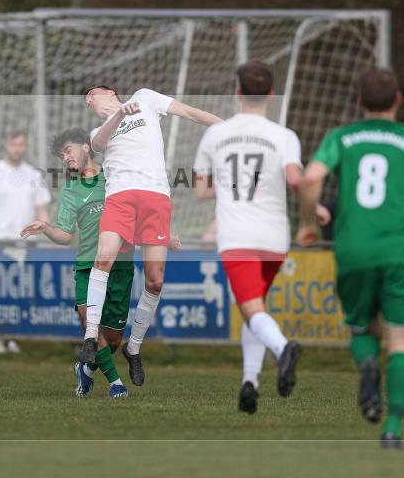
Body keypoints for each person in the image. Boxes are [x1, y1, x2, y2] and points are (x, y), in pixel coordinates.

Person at [296, 68, 404, 449]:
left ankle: (368, 368)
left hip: (354, 251)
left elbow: (311, 178)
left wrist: (307, 225)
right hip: (400, 252)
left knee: (363, 328)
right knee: (401, 341)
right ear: (398, 99)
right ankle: (392, 429)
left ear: (359, 102)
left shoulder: (342, 137)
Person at [193, 60, 327, 414]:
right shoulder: (284, 136)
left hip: (237, 235)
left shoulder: (215, 135)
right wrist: (316, 210)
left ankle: (284, 349)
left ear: (237, 93)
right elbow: (298, 181)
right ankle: (249, 385)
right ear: (270, 94)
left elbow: (202, 191)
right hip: (274, 237)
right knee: (254, 308)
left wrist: (224, 183)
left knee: (251, 308)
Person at [21, 128, 178, 398]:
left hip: (121, 266)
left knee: (114, 339)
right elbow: (65, 235)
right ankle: (116, 383)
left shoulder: (117, 177)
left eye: (68, 151)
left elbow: (140, 214)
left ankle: (86, 369)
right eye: (61, 156)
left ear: (85, 147)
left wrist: (162, 237)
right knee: (87, 321)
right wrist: (46, 227)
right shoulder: (71, 189)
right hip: (87, 265)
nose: (65, 158)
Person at [81, 85, 221, 385]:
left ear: (111, 91)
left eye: (93, 93)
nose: (89, 99)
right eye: (86, 99)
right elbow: (100, 143)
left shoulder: (144, 98)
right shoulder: (97, 131)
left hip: (155, 197)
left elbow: (190, 112)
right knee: (103, 258)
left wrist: (227, 125)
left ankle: (134, 348)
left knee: (155, 280)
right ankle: (91, 336)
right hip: (119, 197)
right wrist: (119, 113)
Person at [0, 129, 51, 354]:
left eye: (21, 144)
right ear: (6, 145)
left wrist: (44, 236)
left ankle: (12, 337)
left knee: (19, 293)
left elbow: (42, 210)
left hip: (26, 246)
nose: (17, 148)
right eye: (13, 144)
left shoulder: (34, 176)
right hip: (0, 243)